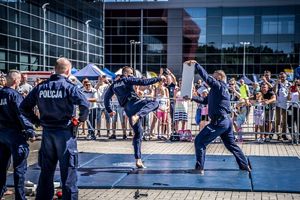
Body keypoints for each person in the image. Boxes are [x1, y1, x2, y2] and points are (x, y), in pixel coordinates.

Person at [20, 57, 89, 200]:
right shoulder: (69, 87)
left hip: (47, 133)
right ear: (68, 70)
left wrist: (37, 121)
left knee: (46, 171)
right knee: (68, 172)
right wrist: (81, 120)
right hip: (65, 133)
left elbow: (24, 107)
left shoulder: (41, 87)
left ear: (55, 69)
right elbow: (85, 105)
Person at [184, 60, 250, 175]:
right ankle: (244, 166)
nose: (212, 79)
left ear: (220, 77)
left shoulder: (218, 85)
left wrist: (196, 65)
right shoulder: (219, 89)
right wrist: (191, 97)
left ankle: (199, 169)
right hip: (226, 121)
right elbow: (205, 100)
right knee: (231, 145)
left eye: (214, 77)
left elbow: (206, 78)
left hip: (219, 122)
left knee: (199, 141)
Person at [104, 66, 165, 168]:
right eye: (131, 73)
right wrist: (158, 78)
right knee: (155, 103)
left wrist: (110, 110)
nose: (133, 75)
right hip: (135, 104)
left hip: (128, 110)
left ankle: (138, 160)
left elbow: (106, 98)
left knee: (138, 133)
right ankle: (138, 115)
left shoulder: (113, 85)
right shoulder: (127, 79)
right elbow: (143, 82)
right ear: (127, 73)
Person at [0, 70, 36, 200]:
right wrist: (30, 131)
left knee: (2, 166)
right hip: (15, 135)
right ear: (16, 81)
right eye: (19, 79)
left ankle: (1, 191)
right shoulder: (14, 95)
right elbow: (22, 114)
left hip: (1, 134)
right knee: (19, 168)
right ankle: (20, 197)